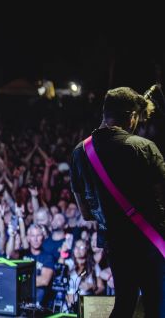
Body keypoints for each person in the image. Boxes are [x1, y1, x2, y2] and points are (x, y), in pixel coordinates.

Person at [71, 86, 165, 317]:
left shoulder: (80, 152)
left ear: (105, 112)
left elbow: (85, 212)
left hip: (115, 243)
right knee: (155, 304)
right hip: (150, 242)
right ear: (132, 117)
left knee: (124, 304)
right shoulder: (143, 147)